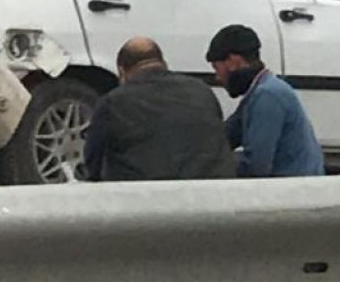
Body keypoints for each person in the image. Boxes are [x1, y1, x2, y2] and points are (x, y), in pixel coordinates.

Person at [83, 37, 236, 181]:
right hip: (211, 194)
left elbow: (93, 162)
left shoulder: (112, 103)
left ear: (122, 72)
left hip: (146, 199)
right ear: (163, 63)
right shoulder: (202, 91)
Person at [206, 24, 325, 177]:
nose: (217, 77)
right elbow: (224, 137)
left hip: (293, 191)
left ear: (233, 61)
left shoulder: (267, 96)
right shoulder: (258, 92)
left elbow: (256, 166)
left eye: (217, 68)